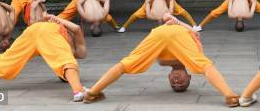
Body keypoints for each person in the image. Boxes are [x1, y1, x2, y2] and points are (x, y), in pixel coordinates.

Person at [84, 13, 239, 106]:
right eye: (182, 83)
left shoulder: (162, 61)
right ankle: (229, 96)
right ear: (189, 76)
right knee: (205, 65)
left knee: (126, 63)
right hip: (178, 34)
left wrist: (170, 19)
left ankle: (93, 93)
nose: (177, 81)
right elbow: (195, 33)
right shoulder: (192, 60)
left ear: (168, 77)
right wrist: (177, 22)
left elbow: (166, 19)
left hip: (158, 34)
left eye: (174, 83)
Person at [0, 13, 88, 101]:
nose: (63, 72)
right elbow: (76, 28)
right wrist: (55, 18)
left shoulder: (56, 50)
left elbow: (63, 61)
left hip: (33, 31)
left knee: (3, 60)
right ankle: (78, 90)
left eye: (64, 75)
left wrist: (49, 18)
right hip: (48, 30)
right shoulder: (78, 51)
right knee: (67, 60)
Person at [118, 0, 196, 32]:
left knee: (135, 15)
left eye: (160, 25)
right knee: (183, 12)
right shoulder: (169, 14)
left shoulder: (151, 16)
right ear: (166, 22)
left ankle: (124, 27)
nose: (161, 23)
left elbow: (147, 2)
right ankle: (195, 25)